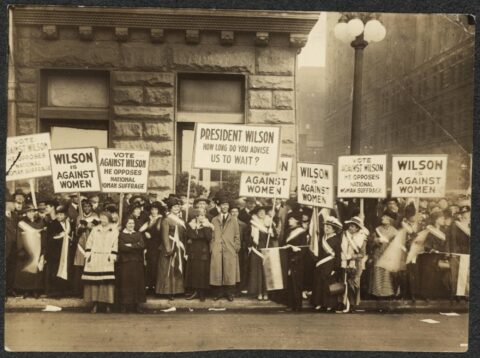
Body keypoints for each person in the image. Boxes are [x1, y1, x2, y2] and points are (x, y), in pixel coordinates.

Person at [82, 211, 119, 313]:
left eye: (104, 218)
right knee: (94, 282)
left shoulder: (114, 230)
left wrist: (113, 255)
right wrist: (88, 254)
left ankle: (108, 305)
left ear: (109, 219)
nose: (102, 220)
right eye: (101, 218)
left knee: (107, 282)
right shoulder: (95, 229)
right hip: (95, 257)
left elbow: (115, 244)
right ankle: (95, 304)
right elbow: (89, 242)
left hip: (107, 257)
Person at [155, 197, 187, 299]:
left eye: (178, 206)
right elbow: (164, 236)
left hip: (179, 246)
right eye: (174, 207)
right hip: (169, 246)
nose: (176, 208)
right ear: (170, 208)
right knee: (168, 269)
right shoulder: (166, 220)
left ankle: (177, 290)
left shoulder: (181, 220)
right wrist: (169, 249)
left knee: (177, 267)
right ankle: (167, 291)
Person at [210, 197, 241, 301]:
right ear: (219, 206)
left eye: (227, 205)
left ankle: (229, 293)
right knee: (218, 271)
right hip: (217, 248)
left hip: (230, 248)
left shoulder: (233, 220)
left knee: (229, 271)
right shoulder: (214, 219)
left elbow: (237, 235)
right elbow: (212, 235)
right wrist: (212, 247)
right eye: (223, 205)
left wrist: (236, 247)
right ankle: (218, 293)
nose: (225, 207)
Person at [311, 216, 343, 312]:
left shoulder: (336, 240)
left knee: (328, 285)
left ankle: (329, 304)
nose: (326, 229)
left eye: (329, 227)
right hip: (321, 264)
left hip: (330, 264)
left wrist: (335, 268)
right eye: (325, 227)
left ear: (333, 230)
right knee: (319, 284)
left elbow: (338, 255)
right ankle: (319, 303)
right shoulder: (322, 239)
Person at [14, 204, 46, 298]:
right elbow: (19, 237)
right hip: (26, 249)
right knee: (26, 270)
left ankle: (35, 290)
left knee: (36, 269)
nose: (31, 213)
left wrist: (43, 249)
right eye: (29, 211)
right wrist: (21, 249)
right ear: (25, 213)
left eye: (33, 211)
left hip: (38, 248)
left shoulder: (40, 222)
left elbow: (43, 236)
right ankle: (26, 290)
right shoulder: (21, 223)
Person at [117, 216, 146, 313]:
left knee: (137, 283)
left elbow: (142, 245)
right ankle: (125, 305)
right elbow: (122, 247)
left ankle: (137, 305)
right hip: (125, 262)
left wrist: (130, 245)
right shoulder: (121, 235)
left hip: (137, 262)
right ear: (125, 224)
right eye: (129, 223)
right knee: (126, 283)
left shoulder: (138, 234)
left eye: (132, 223)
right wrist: (135, 246)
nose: (131, 225)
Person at [248, 206, 277, 300]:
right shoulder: (252, 224)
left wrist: (271, 232)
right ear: (256, 213)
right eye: (259, 212)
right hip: (257, 249)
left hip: (267, 248)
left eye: (263, 212)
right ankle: (259, 292)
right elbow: (249, 237)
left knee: (266, 271)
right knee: (257, 272)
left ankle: (266, 293)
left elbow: (275, 237)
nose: (262, 213)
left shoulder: (269, 223)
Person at [341, 216, 369, 313]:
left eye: (353, 226)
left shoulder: (362, 239)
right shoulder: (345, 236)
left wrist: (351, 257)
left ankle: (353, 305)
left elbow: (362, 254)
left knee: (354, 284)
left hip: (356, 264)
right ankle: (346, 304)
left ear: (357, 228)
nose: (350, 228)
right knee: (346, 283)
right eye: (350, 226)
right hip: (345, 261)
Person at [185, 208, 213, 301]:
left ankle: (202, 293)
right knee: (194, 272)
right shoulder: (191, 225)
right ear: (196, 216)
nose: (201, 217)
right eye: (199, 215)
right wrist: (199, 236)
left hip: (203, 251)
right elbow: (190, 235)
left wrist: (204, 227)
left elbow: (208, 237)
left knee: (203, 272)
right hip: (193, 251)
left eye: (203, 215)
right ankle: (196, 292)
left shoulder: (208, 225)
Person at [72, 199, 99, 297]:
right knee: (80, 267)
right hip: (81, 243)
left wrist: (87, 225)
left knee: (90, 267)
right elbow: (76, 232)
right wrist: (82, 227)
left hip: (92, 243)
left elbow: (96, 229)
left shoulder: (96, 216)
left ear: (91, 207)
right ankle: (79, 291)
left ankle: (90, 291)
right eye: (85, 206)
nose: (87, 208)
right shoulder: (79, 217)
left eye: (88, 206)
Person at [369, 211, 398, 299]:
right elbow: (371, 242)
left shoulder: (394, 231)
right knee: (378, 273)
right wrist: (377, 240)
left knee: (387, 274)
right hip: (378, 254)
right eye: (383, 217)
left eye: (385, 217)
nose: (383, 218)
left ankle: (388, 294)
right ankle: (377, 294)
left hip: (388, 255)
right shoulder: (377, 229)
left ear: (390, 220)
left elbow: (397, 244)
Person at [45, 205, 72, 297]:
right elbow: (49, 238)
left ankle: (62, 291)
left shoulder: (68, 224)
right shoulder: (53, 224)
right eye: (58, 215)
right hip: (55, 252)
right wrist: (59, 236)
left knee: (64, 270)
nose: (60, 216)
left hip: (65, 251)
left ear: (65, 215)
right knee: (55, 271)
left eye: (62, 215)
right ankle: (53, 292)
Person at [284, 211, 308, 311]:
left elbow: (304, 248)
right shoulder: (288, 231)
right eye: (289, 219)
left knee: (297, 283)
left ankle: (298, 305)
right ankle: (290, 304)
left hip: (298, 260)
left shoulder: (302, 232)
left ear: (297, 220)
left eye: (292, 219)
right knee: (289, 283)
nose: (289, 220)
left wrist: (296, 257)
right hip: (288, 259)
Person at [144, 201, 164, 295]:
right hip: (149, 244)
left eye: (155, 209)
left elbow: (161, 233)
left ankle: (156, 286)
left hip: (157, 244)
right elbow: (142, 230)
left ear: (158, 210)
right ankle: (149, 285)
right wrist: (145, 233)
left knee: (155, 265)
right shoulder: (148, 219)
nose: (154, 211)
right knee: (149, 265)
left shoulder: (161, 219)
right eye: (152, 209)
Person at [230, 203, 250, 294]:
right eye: (232, 211)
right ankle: (230, 288)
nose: (234, 213)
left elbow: (246, 239)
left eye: (236, 211)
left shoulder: (243, 225)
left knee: (240, 269)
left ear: (238, 213)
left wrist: (242, 247)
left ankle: (239, 289)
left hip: (240, 251)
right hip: (229, 250)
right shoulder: (226, 224)